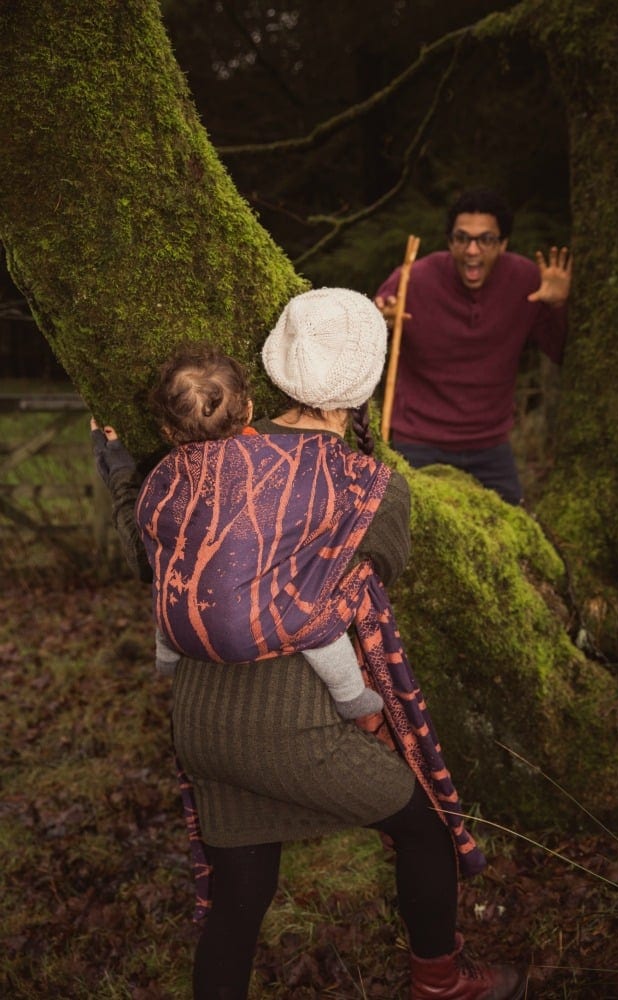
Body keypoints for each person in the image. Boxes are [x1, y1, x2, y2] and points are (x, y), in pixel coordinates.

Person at [93, 287, 526, 1000]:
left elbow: (153, 551)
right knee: (424, 832)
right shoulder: (369, 486)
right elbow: (369, 579)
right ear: (364, 381)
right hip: (289, 728)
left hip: (199, 722)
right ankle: (440, 984)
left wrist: (115, 469)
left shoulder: (206, 456)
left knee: (238, 902)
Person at [136, 341, 383, 720]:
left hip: (179, 630)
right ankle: (349, 695)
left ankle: (165, 656)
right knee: (316, 617)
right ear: (249, 409)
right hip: (248, 631)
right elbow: (312, 502)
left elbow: (151, 528)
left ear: (168, 430)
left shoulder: (164, 475)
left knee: (171, 577)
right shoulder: (275, 460)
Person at [374, 187, 573, 505]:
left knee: (516, 540)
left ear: (503, 244)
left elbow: (561, 351)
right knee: (408, 534)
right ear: (450, 242)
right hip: (417, 441)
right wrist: (380, 321)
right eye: (462, 238)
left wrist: (558, 306)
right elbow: (365, 341)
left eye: (486, 239)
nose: (472, 249)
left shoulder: (526, 281)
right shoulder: (412, 279)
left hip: (490, 446)